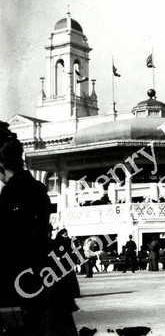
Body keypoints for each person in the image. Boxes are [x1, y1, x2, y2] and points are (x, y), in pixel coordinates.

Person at [0, 121, 78, 335]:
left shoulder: (10, 196)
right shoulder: (37, 189)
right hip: (49, 285)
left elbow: (11, 250)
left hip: (23, 289)